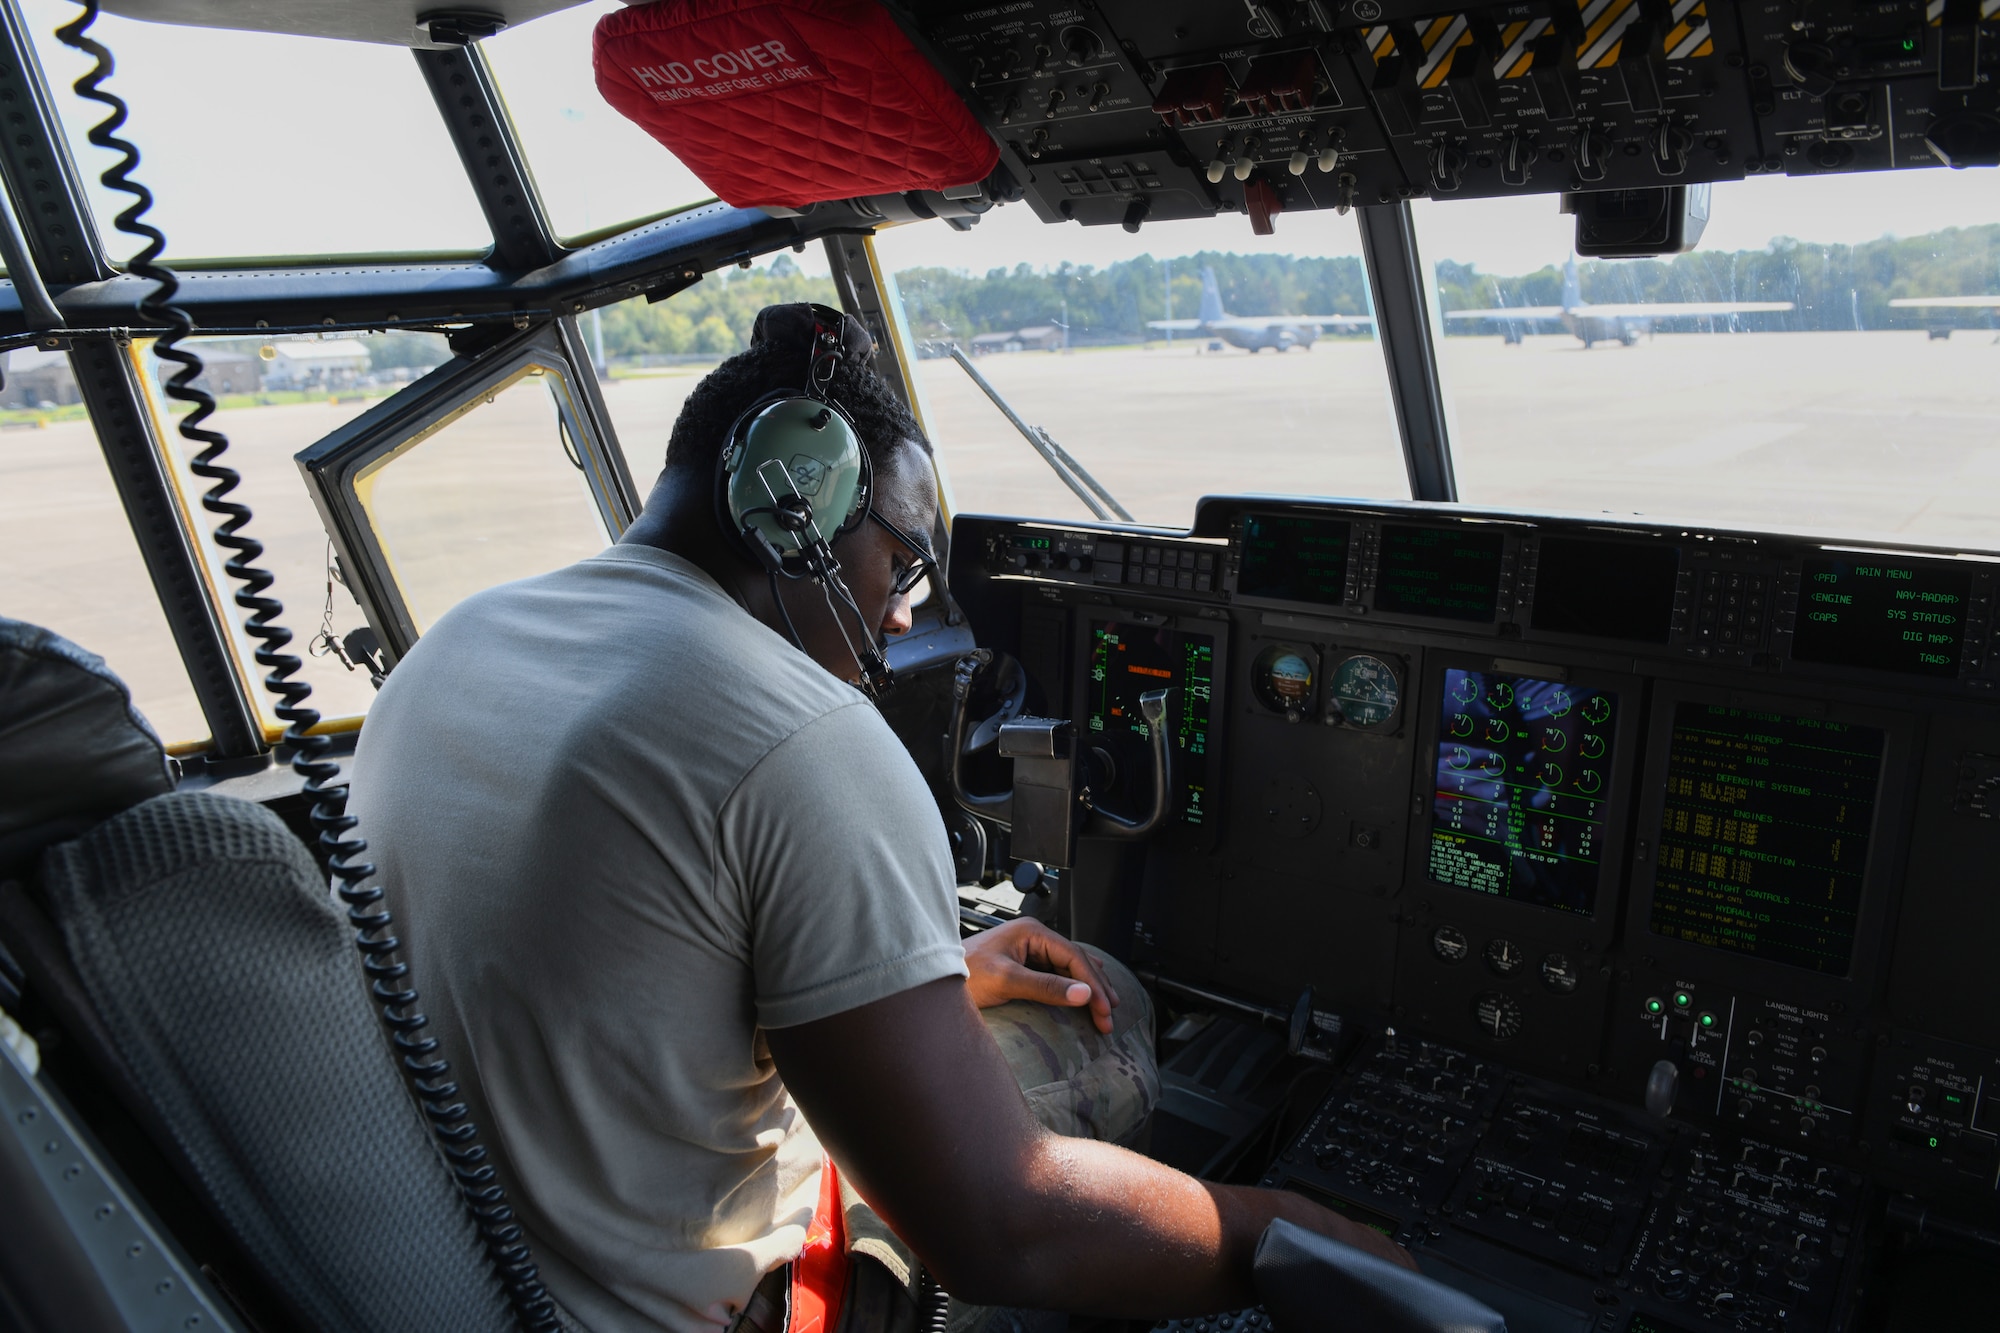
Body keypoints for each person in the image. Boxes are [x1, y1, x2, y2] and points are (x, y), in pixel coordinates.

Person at [347, 304, 1410, 1333]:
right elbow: (1007, 1227)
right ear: (794, 510)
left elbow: (622, 953)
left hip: (474, 1263)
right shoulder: (794, 736)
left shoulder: (460, 639)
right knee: (1109, 1004)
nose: (903, 609)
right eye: (901, 560)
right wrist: (1288, 1233)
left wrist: (917, 970)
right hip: (710, 1306)